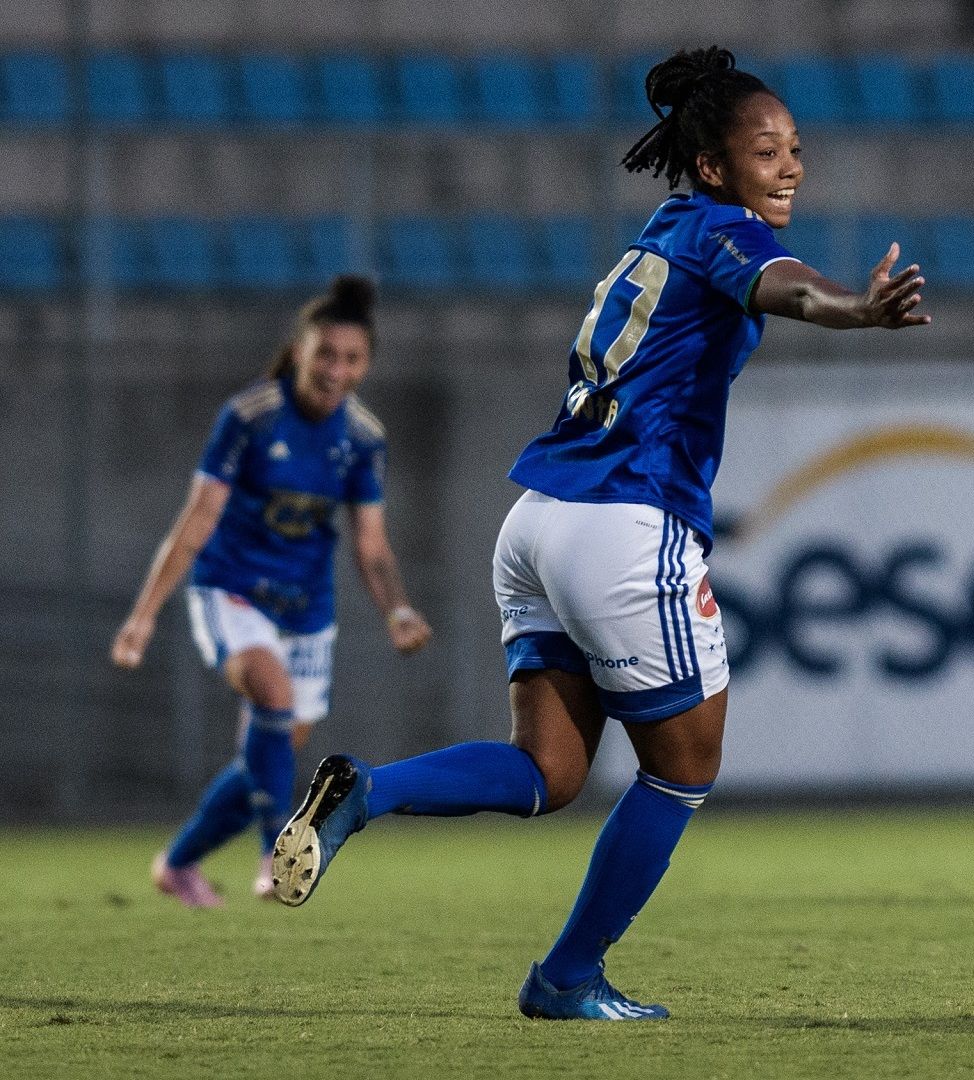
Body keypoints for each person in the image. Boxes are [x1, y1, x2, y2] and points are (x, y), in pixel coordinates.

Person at [269, 46, 930, 1021]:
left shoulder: (663, 229)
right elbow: (783, 287)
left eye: (796, 149)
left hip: (537, 522)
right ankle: (566, 978)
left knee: (551, 772)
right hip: (626, 523)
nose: (791, 167)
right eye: (767, 151)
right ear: (715, 167)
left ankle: (370, 791)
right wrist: (856, 311)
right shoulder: (721, 233)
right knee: (686, 768)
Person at [111, 275, 433, 908]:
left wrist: (396, 609)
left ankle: (176, 864)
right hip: (229, 587)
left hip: (305, 607)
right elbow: (197, 518)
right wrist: (143, 616)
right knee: (274, 694)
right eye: (325, 355)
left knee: (277, 746)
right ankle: (273, 855)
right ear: (299, 351)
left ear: (365, 364)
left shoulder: (364, 439)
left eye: (352, 359)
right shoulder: (251, 417)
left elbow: (371, 544)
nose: (336, 370)